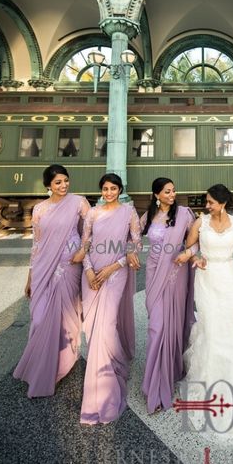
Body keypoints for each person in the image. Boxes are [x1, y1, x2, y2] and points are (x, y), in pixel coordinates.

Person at [179, 184, 233, 445]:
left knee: (229, 328)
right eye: (206, 201)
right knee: (210, 328)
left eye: (210, 202)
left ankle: (231, 379)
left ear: (222, 203)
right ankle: (207, 379)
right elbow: (189, 250)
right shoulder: (200, 223)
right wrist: (195, 259)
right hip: (206, 279)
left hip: (230, 280)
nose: (206, 205)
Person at [13, 164, 90, 397]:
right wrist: (30, 276)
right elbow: (36, 245)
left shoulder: (79, 202)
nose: (63, 185)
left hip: (69, 266)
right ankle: (40, 363)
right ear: (48, 185)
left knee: (66, 319)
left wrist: (84, 250)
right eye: (58, 182)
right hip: (43, 269)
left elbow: (92, 228)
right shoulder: (39, 209)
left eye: (66, 180)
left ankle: (61, 365)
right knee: (39, 318)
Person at [79, 173, 142, 425]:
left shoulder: (129, 212)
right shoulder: (92, 213)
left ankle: (101, 388)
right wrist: (89, 270)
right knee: (92, 327)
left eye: (113, 188)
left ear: (120, 190)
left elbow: (135, 244)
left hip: (116, 273)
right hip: (91, 273)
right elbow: (85, 245)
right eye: (104, 188)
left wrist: (111, 267)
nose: (108, 192)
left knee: (105, 325)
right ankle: (114, 359)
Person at [139, 177, 196, 414]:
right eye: (167, 191)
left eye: (173, 191)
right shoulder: (147, 217)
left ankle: (162, 381)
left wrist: (189, 252)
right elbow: (131, 238)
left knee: (170, 325)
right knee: (157, 326)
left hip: (176, 273)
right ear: (156, 195)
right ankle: (156, 377)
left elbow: (197, 241)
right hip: (154, 274)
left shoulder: (184, 214)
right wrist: (131, 254)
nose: (172, 195)